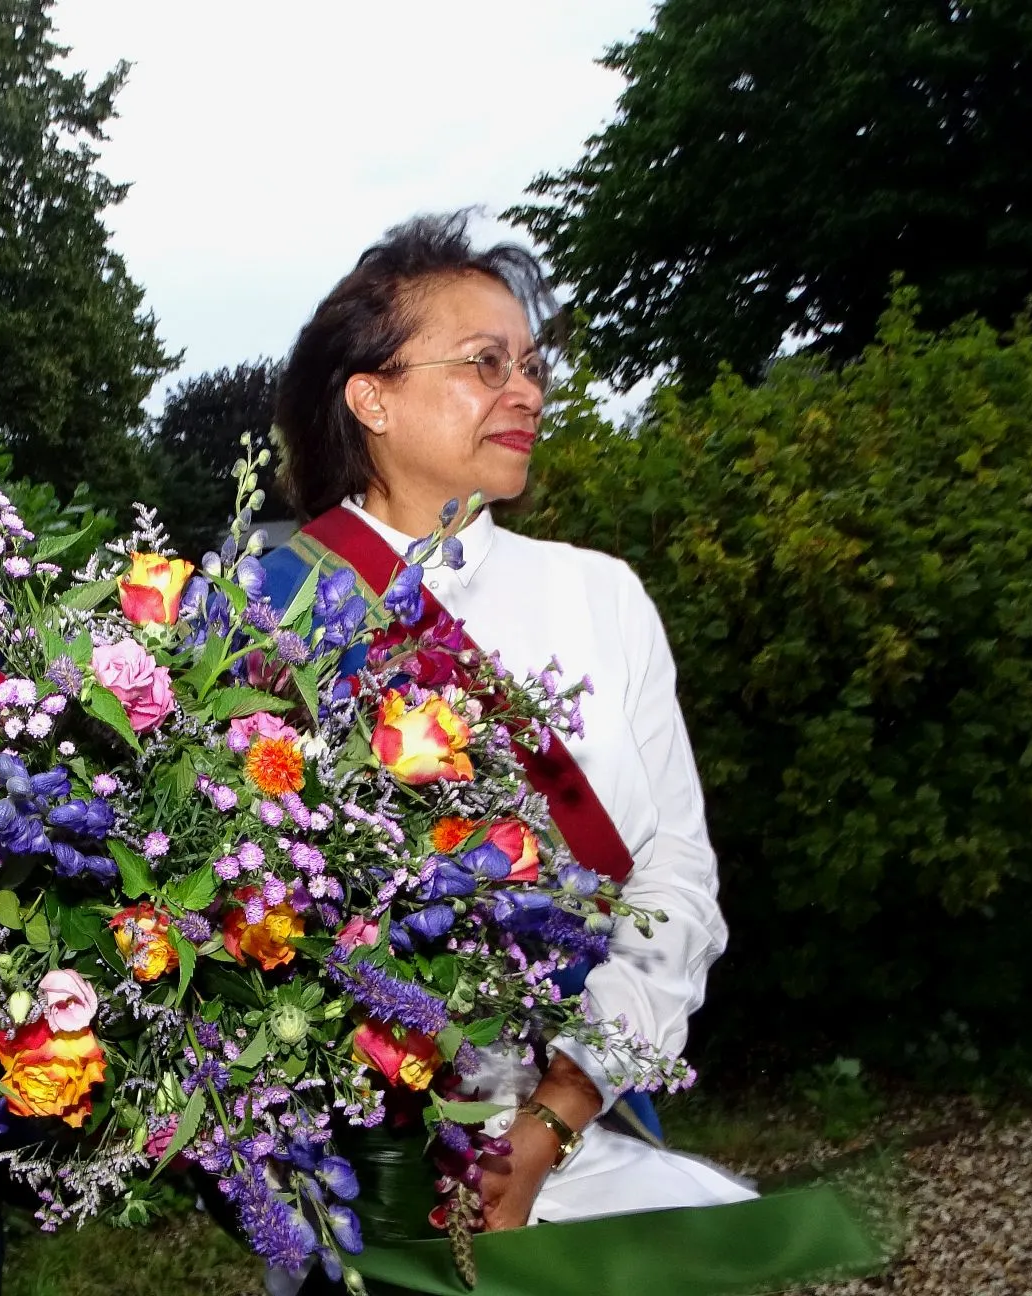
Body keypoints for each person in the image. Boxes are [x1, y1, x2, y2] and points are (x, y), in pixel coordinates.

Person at [259, 212, 754, 1240]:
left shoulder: (601, 597)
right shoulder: (262, 618)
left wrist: (550, 1118)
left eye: (529, 365)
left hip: (580, 1128)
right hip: (367, 1176)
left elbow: (673, 878)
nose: (524, 390)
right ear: (372, 397)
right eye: (484, 363)